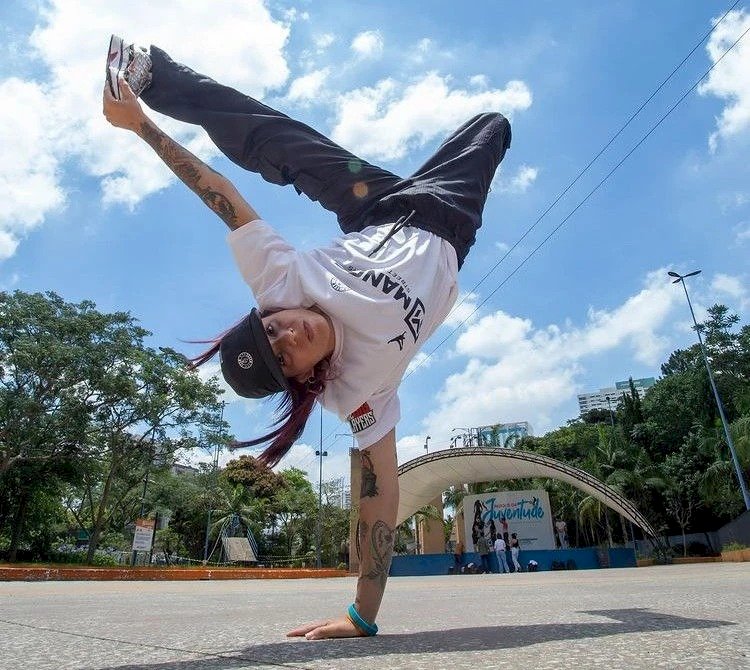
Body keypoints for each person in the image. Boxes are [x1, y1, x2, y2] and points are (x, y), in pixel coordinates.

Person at [103, 35, 511, 640]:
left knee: (284, 145)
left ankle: (147, 75)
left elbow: (221, 196)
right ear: (303, 379)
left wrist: (140, 127)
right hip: (449, 220)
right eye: (285, 352)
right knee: (494, 126)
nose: (290, 329)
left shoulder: (279, 282)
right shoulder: (358, 392)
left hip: (376, 200)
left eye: (273, 327)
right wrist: (362, 616)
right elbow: (379, 502)